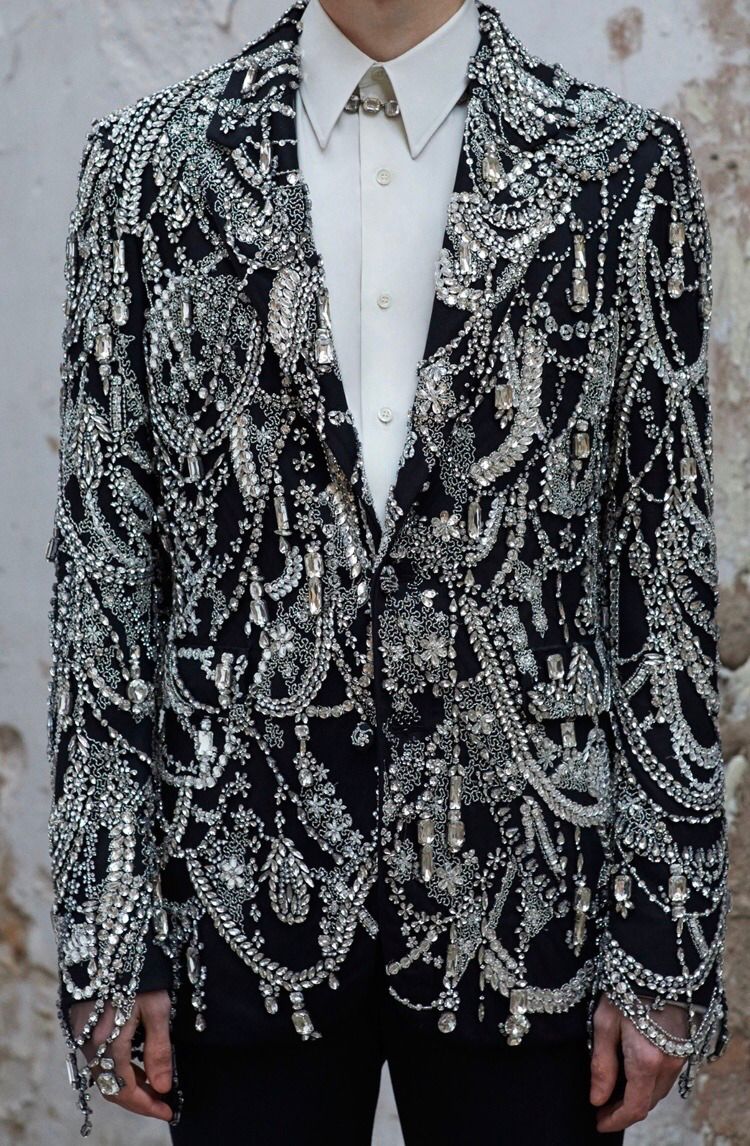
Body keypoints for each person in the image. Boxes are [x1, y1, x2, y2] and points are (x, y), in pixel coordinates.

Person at [46, 0, 730, 1142]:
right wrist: (109, 922)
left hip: (533, 917)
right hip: (237, 905)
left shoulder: (618, 169)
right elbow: (107, 569)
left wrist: (664, 933)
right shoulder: (148, 169)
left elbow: (659, 569)